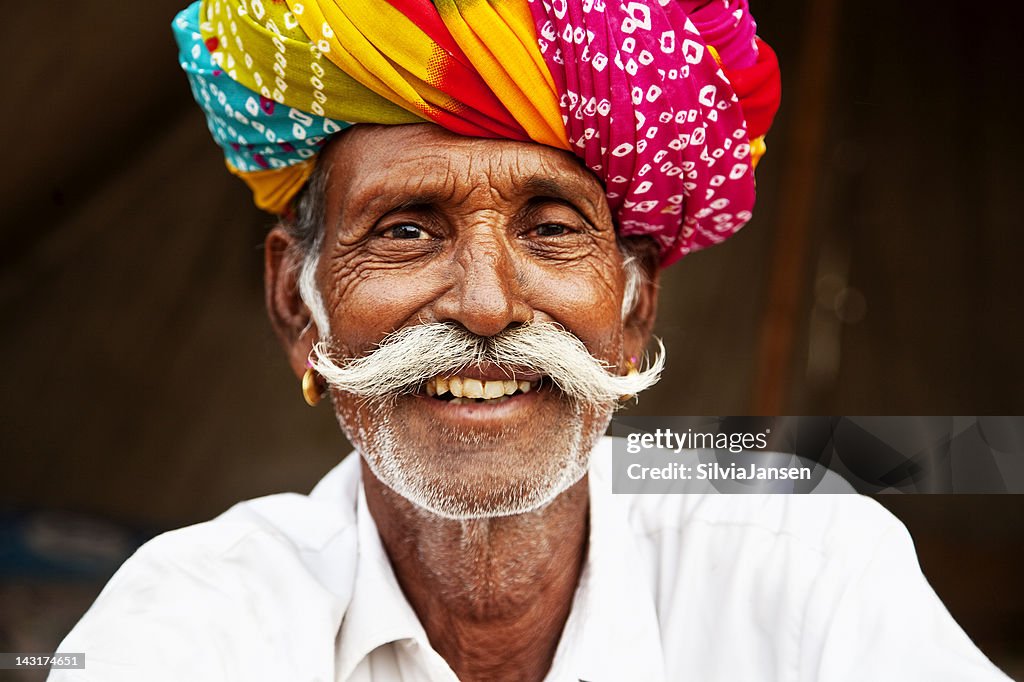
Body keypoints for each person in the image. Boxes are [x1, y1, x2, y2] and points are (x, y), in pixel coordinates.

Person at [52, 0, 1010, 680]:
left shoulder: (803, 570)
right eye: (406, 229)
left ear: (634, 311)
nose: (484, 304)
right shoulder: (193, 622)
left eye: (551, 228)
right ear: (298, 307)